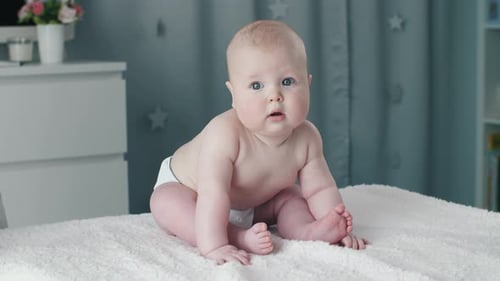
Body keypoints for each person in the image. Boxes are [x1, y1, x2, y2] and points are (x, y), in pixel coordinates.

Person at [150, 19, 367, 265]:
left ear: (308, 84)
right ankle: (236, 237)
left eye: (287, 82)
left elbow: (320, 189)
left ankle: (311, 231)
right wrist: (215, 246)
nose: (274, 96)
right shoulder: (224, 133)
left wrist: (338, 223)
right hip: (193, 191)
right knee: (165, 203)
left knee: (292, 198)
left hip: (252, 203)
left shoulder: (307, 138)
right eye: (256, 85)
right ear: (233, 95)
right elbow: (214, 193)